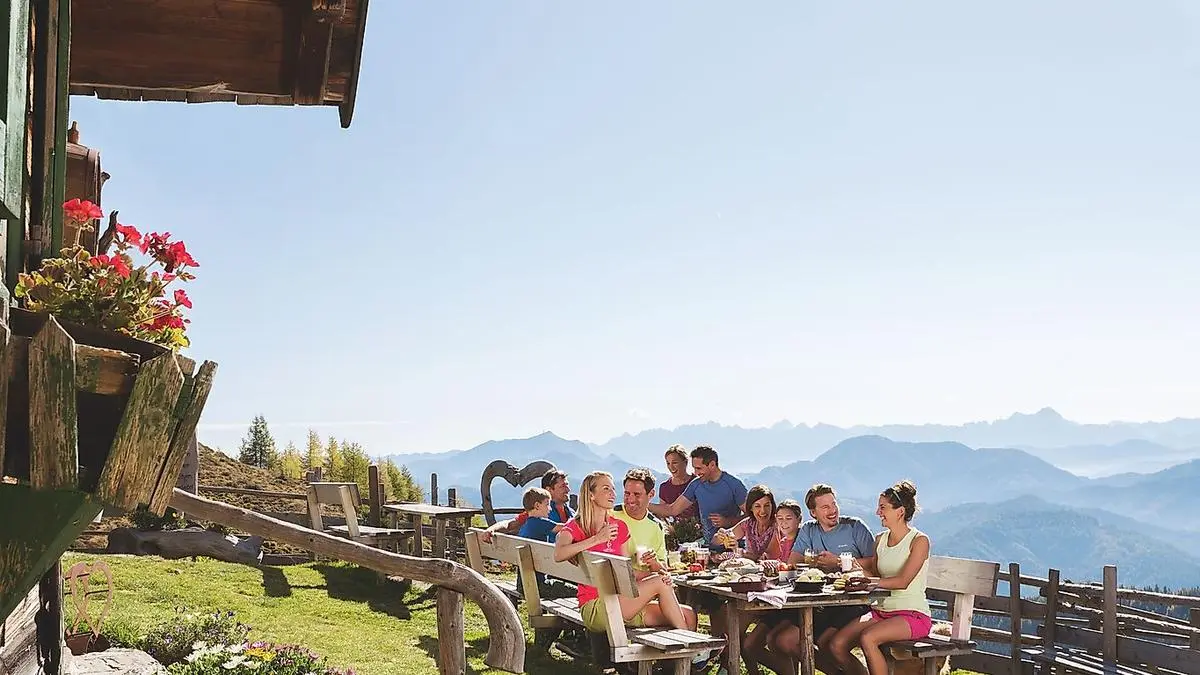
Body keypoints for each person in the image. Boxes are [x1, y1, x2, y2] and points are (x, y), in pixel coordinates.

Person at [554, 471, 697, 635]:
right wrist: (596, 539)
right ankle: (689, 644)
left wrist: (656, 573)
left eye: (613, 489)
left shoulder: (619, 526)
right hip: (596, 605)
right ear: (591, 495)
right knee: (660, 584)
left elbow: (625, 572)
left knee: (688, 614)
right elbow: (559, 554)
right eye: (606, 489)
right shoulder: (577, 526)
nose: (613, 494)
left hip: (620, 601)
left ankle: (682, 659)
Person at [772, 483, 877, 674]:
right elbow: (793, 561)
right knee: (785, 641)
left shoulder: (855, 527)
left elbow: (873, 564)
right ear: (813, 512)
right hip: (822, 601)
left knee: (828, 644)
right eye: (825, 507)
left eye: (834, 504)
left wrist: (838, 562)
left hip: (853, 600)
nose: (833, 510)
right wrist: (812, 564)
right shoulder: (809, 530)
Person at [828, 480, 931, 675]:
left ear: (900, 511)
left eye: (883, 507)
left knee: (868, 638)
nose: (878, 512)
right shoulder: (880, 540)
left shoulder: (919, 541)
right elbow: (875, 575)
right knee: (837, 644)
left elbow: (903, 582)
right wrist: (856, 571)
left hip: (912, 615)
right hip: (880, 611)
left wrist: (870, 581)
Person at [742, 499, 804, 675]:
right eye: (780, 519)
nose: (784, 523)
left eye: (788, 519)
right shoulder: (782, 540)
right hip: (779, 601)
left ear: (799, 520)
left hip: (792, 605)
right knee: (749, 645)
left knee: (774, 641)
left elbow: (793, 571)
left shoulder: (803, 541)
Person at [648, 446, 747, 547]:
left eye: (699, 468)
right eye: (694, 468)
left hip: (732, 547)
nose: (695, 473)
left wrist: (727, 521)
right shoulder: (696, 484)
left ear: (712, 465)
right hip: (707, 548)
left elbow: (751, 515)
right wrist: (643, 504)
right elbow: (672, 509)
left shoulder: (734, 485)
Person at [479, 469, 573, 542]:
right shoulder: (538, 513)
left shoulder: (571, 512)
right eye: (563, 486)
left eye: (567, 485)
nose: (568, 489)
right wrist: (491, 529)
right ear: (549, 490)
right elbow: (509, 524)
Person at [513, 486, 575, 599]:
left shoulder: (526, 525)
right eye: (547, 504)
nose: (550, 509)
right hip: (537, 585)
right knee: (575, 590)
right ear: (537, 505)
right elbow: (564, 528)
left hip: (522, 583)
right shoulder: (540, 523)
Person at [716, 484, 778, 561]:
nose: (763, 511)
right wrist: (721, 536)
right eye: (757, 506)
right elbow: (718, 540)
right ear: (751, 508)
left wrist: (739, 552)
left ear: (772, 506)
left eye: (767, 505)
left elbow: (768, 557)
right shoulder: (748, 523)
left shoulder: (778, 524)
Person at [658, 444, 697, 520]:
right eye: (668, 463)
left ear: (685, 462)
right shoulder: (664, 487)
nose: (671, 467)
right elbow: (663, 516)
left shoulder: (697, 483)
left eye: (675, 463)